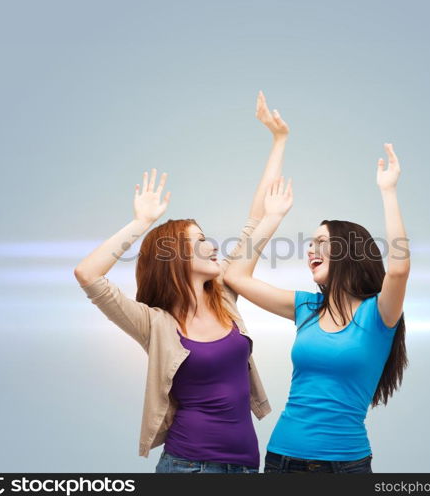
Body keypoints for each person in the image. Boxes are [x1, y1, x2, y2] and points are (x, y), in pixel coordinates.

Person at [74, 91, 289, 473]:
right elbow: (88, 274)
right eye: (200, 241)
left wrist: (278, 141)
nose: (211, 246)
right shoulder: (153, 323)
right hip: (188, 467)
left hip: (244, 467)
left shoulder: (225, 296)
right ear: (176, 259)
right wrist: (141, 223)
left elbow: (256, 217)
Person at [224, 143, 410, 473]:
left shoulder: (378, 314)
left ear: (349, 252)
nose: (312, 250)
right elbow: (236, 275)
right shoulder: (306, 307)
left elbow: (398, 269)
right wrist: (274, 218)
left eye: (322, 243)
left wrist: (389, 191)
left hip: (345, 467)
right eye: (310, 244)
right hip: (282, 460)